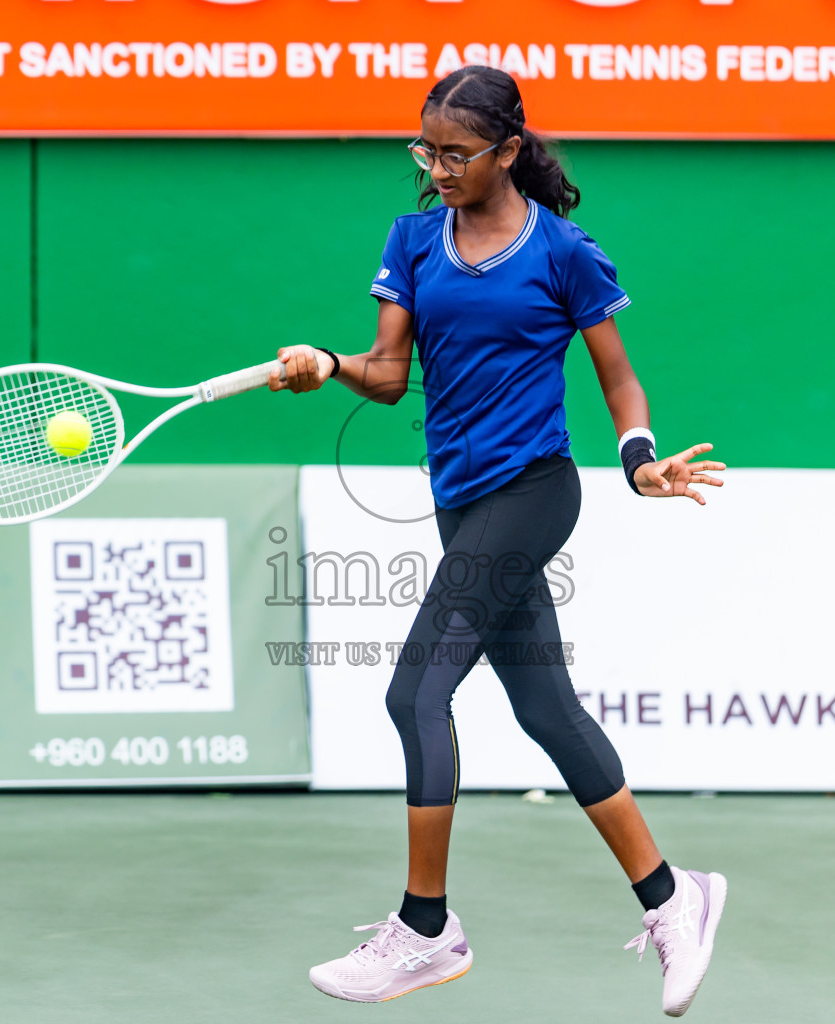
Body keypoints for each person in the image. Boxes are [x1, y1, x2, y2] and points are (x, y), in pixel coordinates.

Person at [270, 66, 727, 1017]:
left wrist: (640, 461)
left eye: (453, 152)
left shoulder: (563, 253)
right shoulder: (412, 241)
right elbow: (390, 373)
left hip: (534, 491)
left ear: (507, 151)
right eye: (424, 149)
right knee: (549, 714)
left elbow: (620, 381)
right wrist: (329, 365)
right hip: (460, 501)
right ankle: (672, 893)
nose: (434, 167)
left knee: (414, 692)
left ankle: (426, 928)